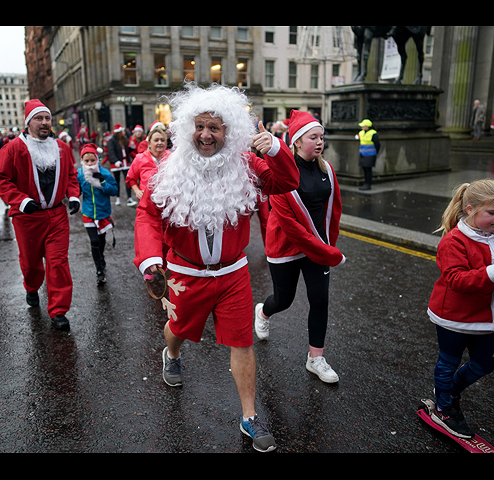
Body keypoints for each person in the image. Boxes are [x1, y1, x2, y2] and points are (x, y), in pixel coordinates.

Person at [133, 83, 299, 452]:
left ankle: (250, 417)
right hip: (184, 275)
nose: (207, 135)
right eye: (201, 126)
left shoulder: (247, 164)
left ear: (229, 132)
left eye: (216, 128)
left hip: (232, 274)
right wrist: (149, 262)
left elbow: (288, 181)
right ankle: (172, 354)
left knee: (242, 341)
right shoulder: (169, 169)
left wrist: (274, 147)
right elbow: (146, 215)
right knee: (177, 329)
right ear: (188, 128)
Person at [428, 179, 494, 439]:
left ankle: (448, 391)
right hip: (454, 318)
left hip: (485, 316)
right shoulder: (454, 241)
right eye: (492, 213)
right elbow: (456, 280)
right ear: (470, 209)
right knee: (448, 363)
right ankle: (443, 408)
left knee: (484, 365)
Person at [255, 110, 345, 384]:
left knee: (320, 300)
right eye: (313, 137)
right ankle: (263, 311)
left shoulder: (326, 169)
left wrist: (329, 244)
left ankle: (315, 358)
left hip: (317, 247)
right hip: (286, 247)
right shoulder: (281, 174)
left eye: (321, 137)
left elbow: (334, 209)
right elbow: (293, 229)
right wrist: (328, 252)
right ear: (295, 141)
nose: (319, 142)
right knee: (284, 300)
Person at [0, 100, 81, 331]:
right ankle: (31, 287)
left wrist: (73, 196)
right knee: (31, 263)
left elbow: (72, 175)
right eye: (38, 118)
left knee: (58, 262)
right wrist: (21, 201)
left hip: (57, 216)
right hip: (27, 219)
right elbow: (0, 180)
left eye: (47, 118)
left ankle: (59, 310)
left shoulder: (62, 147)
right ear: (28, 122)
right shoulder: (13, 148)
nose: (44, 123)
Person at [77, 143, 118, 285]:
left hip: (103, 213)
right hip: (88, 213)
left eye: (92, 160)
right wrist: (74, 198)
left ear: (97, 159)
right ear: (82, 161)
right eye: (86, 161)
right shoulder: (80, 174)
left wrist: (103, 182)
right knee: (94, 241)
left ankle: (101, 257)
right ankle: (99, 271)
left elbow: (114, 191)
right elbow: (75, 190)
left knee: (101, 242)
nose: (89, 164)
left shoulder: (105, 173)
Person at [126, 122, 170, 202]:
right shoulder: (140, 158)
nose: (159, 142)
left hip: (167, 206)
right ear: (149, 143)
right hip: (146, 205)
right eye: (156, 140)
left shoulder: (172, 158)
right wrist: (137, 191)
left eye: (162, 140)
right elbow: (130, 178)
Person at [104, 124, 136, 207]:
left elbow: (127, 151)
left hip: (125, 163)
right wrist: (115, 161)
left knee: (127, 180)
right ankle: (117, 198)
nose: (124, 132)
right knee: (117, 181)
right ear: (119, 132)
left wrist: (132, 147)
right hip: (117, 164)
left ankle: (129, 198)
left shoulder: (125, 139)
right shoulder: (111, 141)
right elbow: (111, 152)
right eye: (122, 131)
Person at [355, 119, 380, 191]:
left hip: (370, 154)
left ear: (367, 126)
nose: (362, 127)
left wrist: (375, 152)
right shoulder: (361, 133)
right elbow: (356, 137)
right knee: (365, 169)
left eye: (363, 126)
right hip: (363, 154)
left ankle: (368, 184)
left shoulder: (373, 133)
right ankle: (365, 183)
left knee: (368, 170)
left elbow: (377, 144)